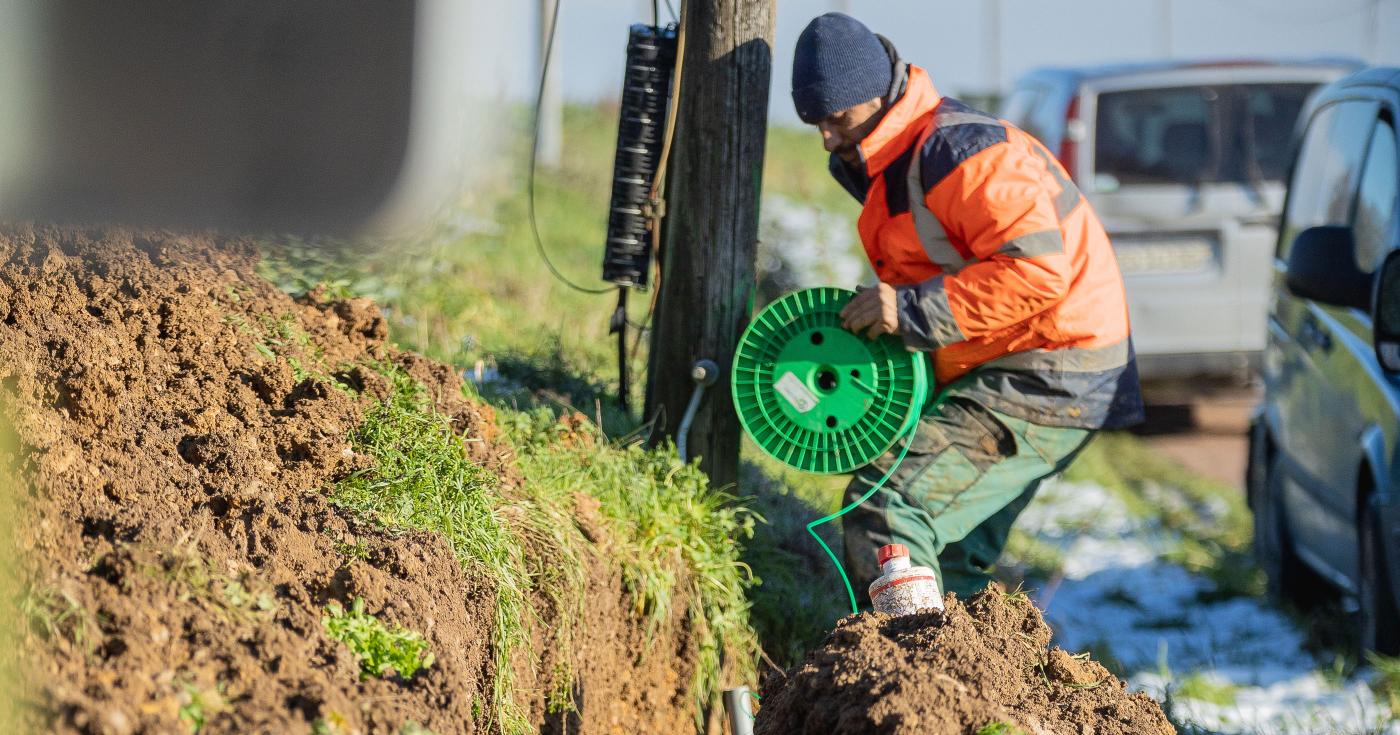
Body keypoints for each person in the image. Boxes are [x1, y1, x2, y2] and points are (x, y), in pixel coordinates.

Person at [790, 13, 1144, 600]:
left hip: (1055, 365)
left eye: (836, 119)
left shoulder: (961, 152)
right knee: (948, 555)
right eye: (815, 124)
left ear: (875, 96)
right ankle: (960, 683)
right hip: (1014, 358)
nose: (827, 138)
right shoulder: (892, 158)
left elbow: (1037, 270)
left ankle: (913, 678)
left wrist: (906, 312)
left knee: (890, 508)